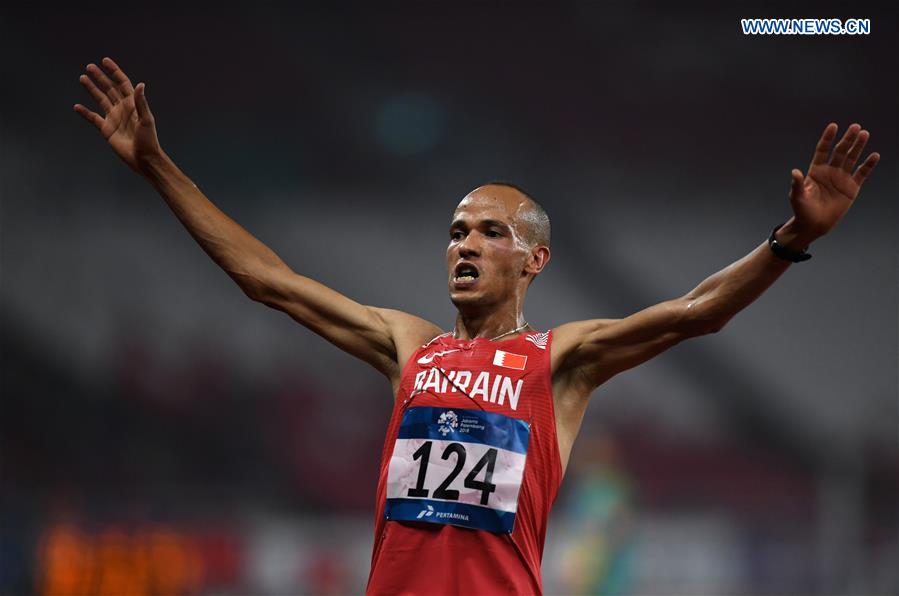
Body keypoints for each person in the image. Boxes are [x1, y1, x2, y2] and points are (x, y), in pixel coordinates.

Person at [74, 57, 880, 595]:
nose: (465, 244)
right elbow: (269, 282)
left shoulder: (560, 359)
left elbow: (696, 311)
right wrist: (156, 166)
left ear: (534, 260)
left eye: (490, 232)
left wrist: (791, 239)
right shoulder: (410, 345)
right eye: (457, 231)